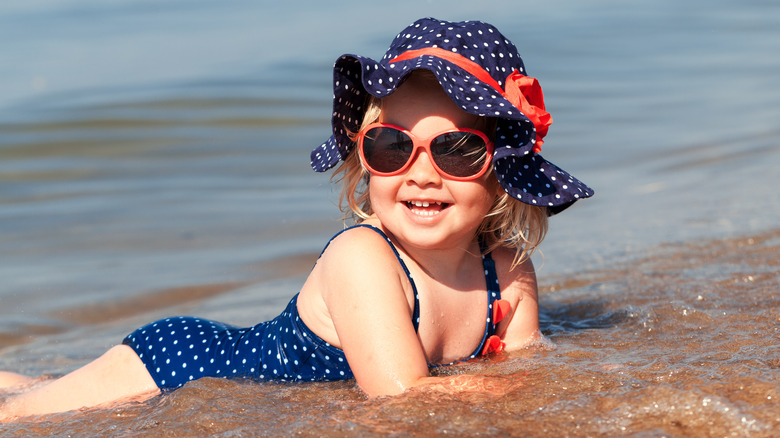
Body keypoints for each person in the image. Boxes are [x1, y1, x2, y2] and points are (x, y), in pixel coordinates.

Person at [0, 17, 592, 420]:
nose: (420, 173)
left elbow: (528, 364)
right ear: (364, 160)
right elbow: (406, 399)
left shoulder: (506, 265)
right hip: (182, 365)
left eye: (456, 150)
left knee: (31, 387)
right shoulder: (362, 259)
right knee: (24, 414)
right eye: (392, 146)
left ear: (502, 172)